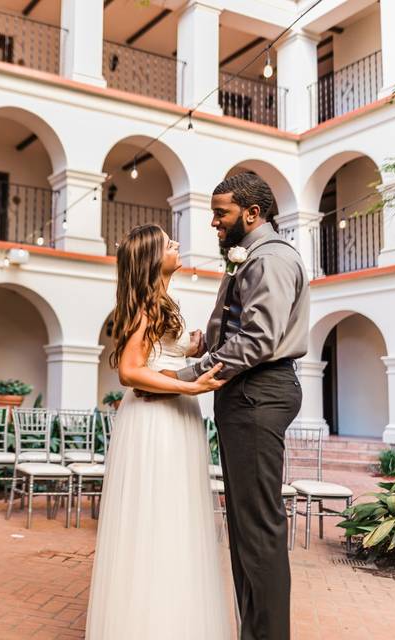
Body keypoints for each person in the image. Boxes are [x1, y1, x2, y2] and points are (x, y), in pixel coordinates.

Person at [168, 172, 309, 640]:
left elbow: (258, 340)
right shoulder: (251, 257)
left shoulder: (270, 259)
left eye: (221, 213)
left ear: (252, 213)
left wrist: (187, 377)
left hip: (258, 392)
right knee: (245, 530)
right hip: (246, 392)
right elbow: (238, 329)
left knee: (258, 531)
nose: (213, 222)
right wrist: (196, 347)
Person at [85, 224, 235, 640]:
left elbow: (163, 351)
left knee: (175, 518)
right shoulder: (147, 307)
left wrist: (200, 343)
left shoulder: (162, 302)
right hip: (155, 421)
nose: (177, 245)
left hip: (175, 416)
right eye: (169, 243)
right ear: (153, 258)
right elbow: (131, 371)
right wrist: (191, 385)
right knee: (157, 517)